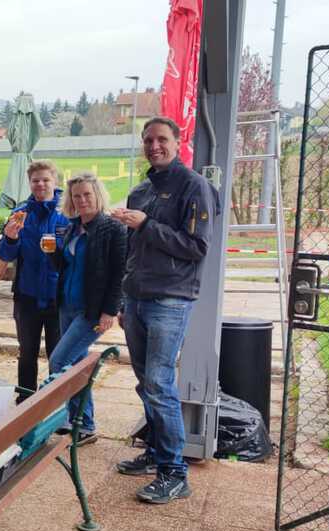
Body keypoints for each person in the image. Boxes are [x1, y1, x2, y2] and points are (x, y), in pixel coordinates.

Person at [110, 116, 215, 504]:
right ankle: (155, 453)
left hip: (171, 299)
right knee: (145, 383)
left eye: (162, 140)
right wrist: (123, 300)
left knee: (159, 384)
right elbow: (132, 252)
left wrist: (147, 224)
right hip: (137, 298)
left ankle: (175, 472)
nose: (154, 146)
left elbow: (197, 247)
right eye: (148, 140)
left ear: (177, 141)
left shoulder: (194, 186)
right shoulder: (141, 191)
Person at [45, 172, 127, 446]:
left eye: (87, 195)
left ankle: (60, 417)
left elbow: (118, 273)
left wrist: (109, 311)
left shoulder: (112, 228)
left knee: (59, 361)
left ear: (97, 195)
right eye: (77, 196)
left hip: (90, 310)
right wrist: (53, 252)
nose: (82, 200)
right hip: (67, 306)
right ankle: (83, 424)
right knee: (77, 363)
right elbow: (67, 266)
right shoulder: (72, 227)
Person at [0, 160, 70, 399]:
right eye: (35, 180)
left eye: (45, 180)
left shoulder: (68, 212)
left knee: (57, 355)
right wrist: (8, 238)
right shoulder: (20, 213)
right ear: (30, 183)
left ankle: (54, 404)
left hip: (58, 297)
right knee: (26, 352)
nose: (40, 184)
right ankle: (25, 400)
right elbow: (6, 255)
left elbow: (78, 254)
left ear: (55, 181)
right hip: (27, 295)